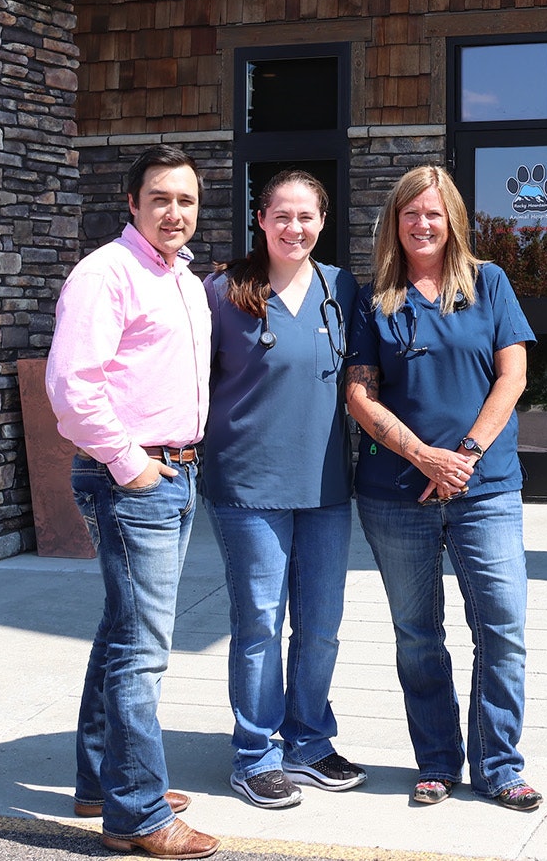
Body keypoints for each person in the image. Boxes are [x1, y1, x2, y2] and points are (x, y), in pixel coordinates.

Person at [343, 165, 542, 812]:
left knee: (502, 628)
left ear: (452, 218)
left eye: (433, 213)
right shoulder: (375, 299)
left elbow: (511, 377)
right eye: (410, 214)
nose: (422, 224)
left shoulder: (489, 284)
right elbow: (360, 396)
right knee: (418, 634)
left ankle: (498, 765)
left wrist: (465, 455)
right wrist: (425, 456)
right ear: (394, 224)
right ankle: (436, 762)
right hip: (395, 492)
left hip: (485, 490)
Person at [46, 145, 220, 860]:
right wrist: (131, 465)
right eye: (161, 199)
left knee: (124, 630)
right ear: (133, 204)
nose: (174, 212)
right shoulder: (106, 274)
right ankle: (138, 812)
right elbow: (70, 387)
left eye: (185, 200)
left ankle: (102, 782)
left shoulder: (176, 276)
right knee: (144, 651)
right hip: (136, 480)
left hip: (173, 474)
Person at [200, 169, 365, 809]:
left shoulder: (341, 288)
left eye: (307, 217)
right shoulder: (224, 291)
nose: (294, 228)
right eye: (282, 216)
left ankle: (308, 741)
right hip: (248, 485)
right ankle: (256, 752)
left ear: (322, 222)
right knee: (262, 623)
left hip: (325, 485)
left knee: (321, 624)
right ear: (261, 220)